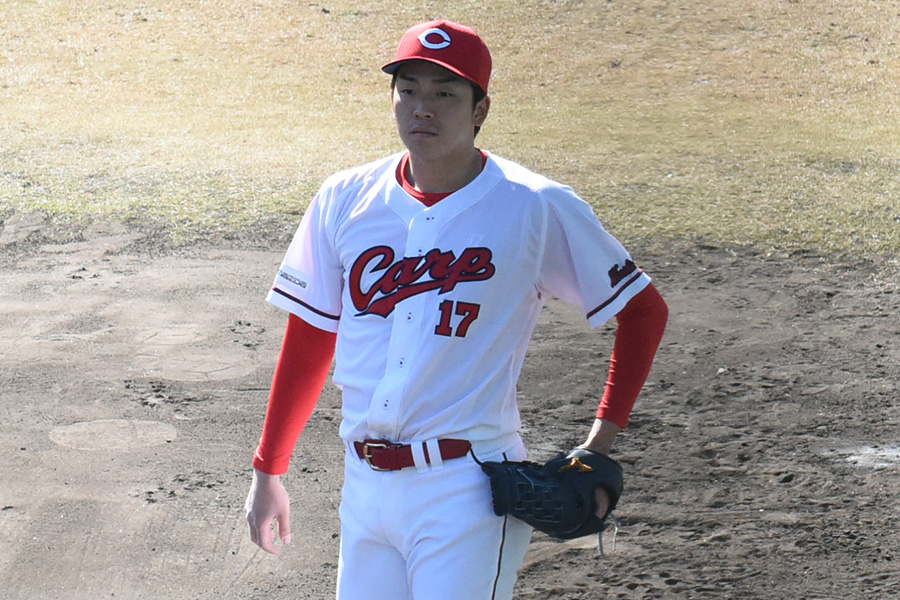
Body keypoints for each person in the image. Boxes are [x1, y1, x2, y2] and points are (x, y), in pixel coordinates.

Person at [245, 19, 668, 600]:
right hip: (364, 488)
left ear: (480, 109)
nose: (423, 107)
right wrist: (270, 468)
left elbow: (644, 310)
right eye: (410, 88)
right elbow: (313, 335)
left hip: (467, 491)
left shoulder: (535, 207)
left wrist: (597, 443)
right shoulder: (344, 198)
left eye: (445, 92)